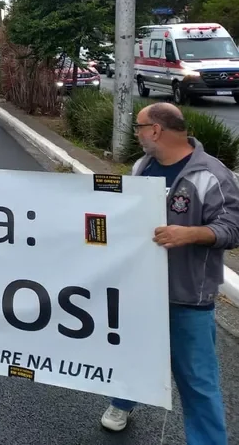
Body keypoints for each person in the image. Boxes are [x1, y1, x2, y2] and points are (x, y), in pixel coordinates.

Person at [99, 103, 239, 444]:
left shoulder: (212, 175)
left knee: (197, 380)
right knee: (133, 354)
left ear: (156, 130)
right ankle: (123, 402)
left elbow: (232, 228)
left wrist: (190, 234)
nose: (136, 133)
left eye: (139, 127)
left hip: (187, 295)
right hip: (141, 288)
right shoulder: (142, 166)